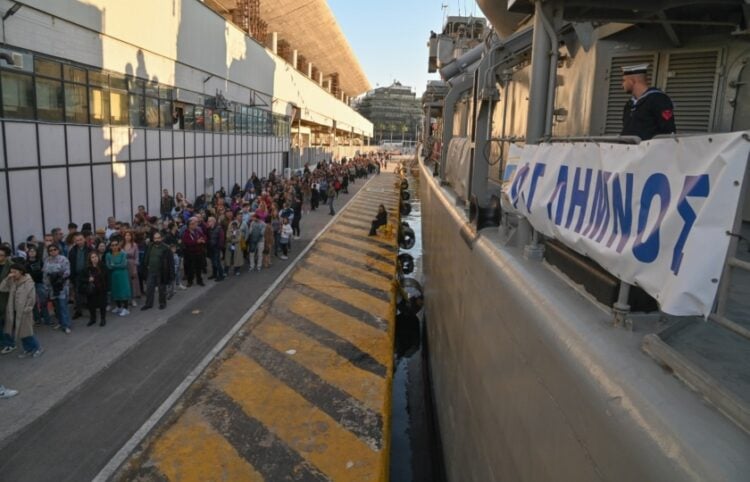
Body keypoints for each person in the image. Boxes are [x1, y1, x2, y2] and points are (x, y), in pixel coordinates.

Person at [620, 63, 676, 140]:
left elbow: (668, 131)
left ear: (632, 81)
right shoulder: (630, 104)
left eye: (624, 80)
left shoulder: (658, 99)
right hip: (629, 150)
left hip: (649, 150)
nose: (622, 84)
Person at [0, 263, 43, 358]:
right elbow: (2, 288)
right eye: (11, 272)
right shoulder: (12, 281)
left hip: (24, 311)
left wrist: (27, 308)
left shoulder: (28, 281)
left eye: (15, 272)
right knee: (20, 332)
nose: (13, 274)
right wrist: (7, 278)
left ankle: (37, 348)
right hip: (14, 310)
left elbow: (31, 297)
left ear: (21, 272)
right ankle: (28, 349)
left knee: (27, 331)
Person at [141, 232, 174, 310]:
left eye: (158, 238)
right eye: (155, 238)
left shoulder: (166, 248)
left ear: (161, 238)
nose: (157, 239)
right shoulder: (150, 246)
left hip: (161, 272)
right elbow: (146, 257)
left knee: (162, 289)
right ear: (153, 238)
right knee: (149, 288)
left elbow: (170, 262)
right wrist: (146, 266)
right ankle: (148, 304)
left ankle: (162, 303)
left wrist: (171, 275)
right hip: (151, 271)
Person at [44, 244, 72, 333]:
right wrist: (46, 284)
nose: (52, 251)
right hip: (51, 287)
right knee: (56, 307)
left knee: (63, 306)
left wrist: (59, 278)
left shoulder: (63, 259)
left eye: (54, 249)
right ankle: (60, 322)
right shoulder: (47, 260)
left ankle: (66, 325)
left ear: (58, 250)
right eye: (50, 250)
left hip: (61, 286)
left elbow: (67, 272)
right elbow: (44, 273)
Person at [67, 232, 91, 319]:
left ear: (84, 239)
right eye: (77, 240)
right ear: (75, 241)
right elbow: (70, 264)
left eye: (81, 239)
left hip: (87, 274)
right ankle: (78, 311)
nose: (79, 241)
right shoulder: (72, 251)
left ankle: (91, 310)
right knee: (77, 294)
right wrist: (71, 277)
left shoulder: (89, 249)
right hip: (77, 276)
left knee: (89, 292)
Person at [106, 237, 131, 316]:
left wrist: (114, 265)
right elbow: (108, 266)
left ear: (118, 245)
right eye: (112, 245)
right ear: (110, 246)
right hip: (113, 276)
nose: (114, 247)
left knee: (123, 290)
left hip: (123, 275)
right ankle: (119, 307)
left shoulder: (123, 254)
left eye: (116, 245)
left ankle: (126, 308)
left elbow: (123, 265)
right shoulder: (108, 255)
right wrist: (117, 265)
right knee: (115, 290)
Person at [85, 251, 108, 326]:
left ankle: (103, 319)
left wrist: (95, 277)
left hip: (101, 288)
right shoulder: (87, 268)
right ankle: (93, 319)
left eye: (95, 257)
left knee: (102, 305)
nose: (94, 259)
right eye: (92, 257)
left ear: (98, 257)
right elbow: (82, 278)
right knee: (91, 305)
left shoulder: (103, 266)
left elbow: (105, 276)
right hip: (92, 290)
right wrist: (88, 279)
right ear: (90, 259)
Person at [122, 231, 142, 306]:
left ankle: (133, 299)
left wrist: (135, 268)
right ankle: (127, 298)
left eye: (129, 235)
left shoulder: (134, 245)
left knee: (133, 282)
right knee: (125, 282)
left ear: (131, 236)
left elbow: (137, 257)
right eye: (126, 235)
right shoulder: (121, 245)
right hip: (123, 265)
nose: (127, 237)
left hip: (132, 264)